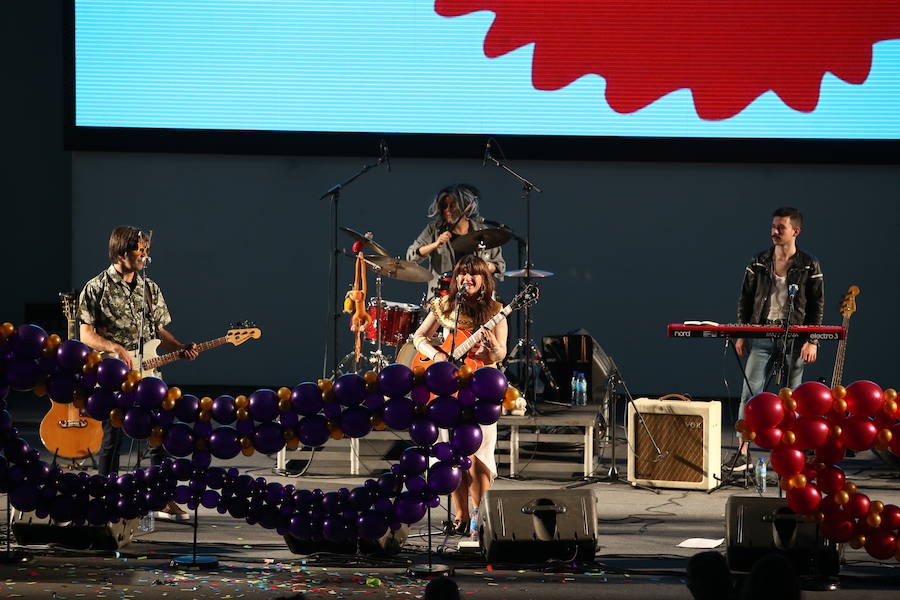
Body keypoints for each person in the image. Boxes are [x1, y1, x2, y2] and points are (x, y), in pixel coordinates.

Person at [78, 226, 199, 520]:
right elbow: (86, 334)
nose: (146, 256)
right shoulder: (96, 287)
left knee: (159, 434)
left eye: (146, 249)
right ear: (122, 254)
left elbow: (158, 330)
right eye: (140, 251)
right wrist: (115, 348)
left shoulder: (149, 287)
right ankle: (106, 498)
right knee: (113, 438)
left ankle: (160, 499)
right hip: (113, 375)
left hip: (149, 372)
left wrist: (181, 346)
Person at [411, 256, 507, 535]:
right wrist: (437, 354)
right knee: (450, 455)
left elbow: (500, 353)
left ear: (484, 280)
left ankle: (480, 520)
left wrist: (490, 350)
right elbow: (419, 337)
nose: (467, 279)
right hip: (447, 387)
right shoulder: (444, 306)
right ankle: (460, 517)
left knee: (477, 457)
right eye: (462, 274)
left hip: (480, 390)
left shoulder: (495, 311)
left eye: (473, 274)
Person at [733, 207, 824, 462]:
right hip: (762, 334)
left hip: (794, 338)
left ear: (795, 231)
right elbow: (745, 299)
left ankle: (789, 451)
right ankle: (742, 453)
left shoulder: (809, 264)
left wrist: (812, 340)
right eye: (773, 227)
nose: (774, 232)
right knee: (750, 392)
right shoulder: (759, 261)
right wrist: (741, 333)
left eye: (780, 228)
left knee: (792, 397)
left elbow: (817, 305)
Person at [406, 184, 505, 298]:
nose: (447, 210)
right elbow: (411, 256)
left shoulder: (483, 232)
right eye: (444, 206)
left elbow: (499, 266)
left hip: (477, 300)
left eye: (452, 206)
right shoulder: (434, 230)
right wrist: (435, 244)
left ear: (464, 206)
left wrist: (486, 266)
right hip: (442, 297)